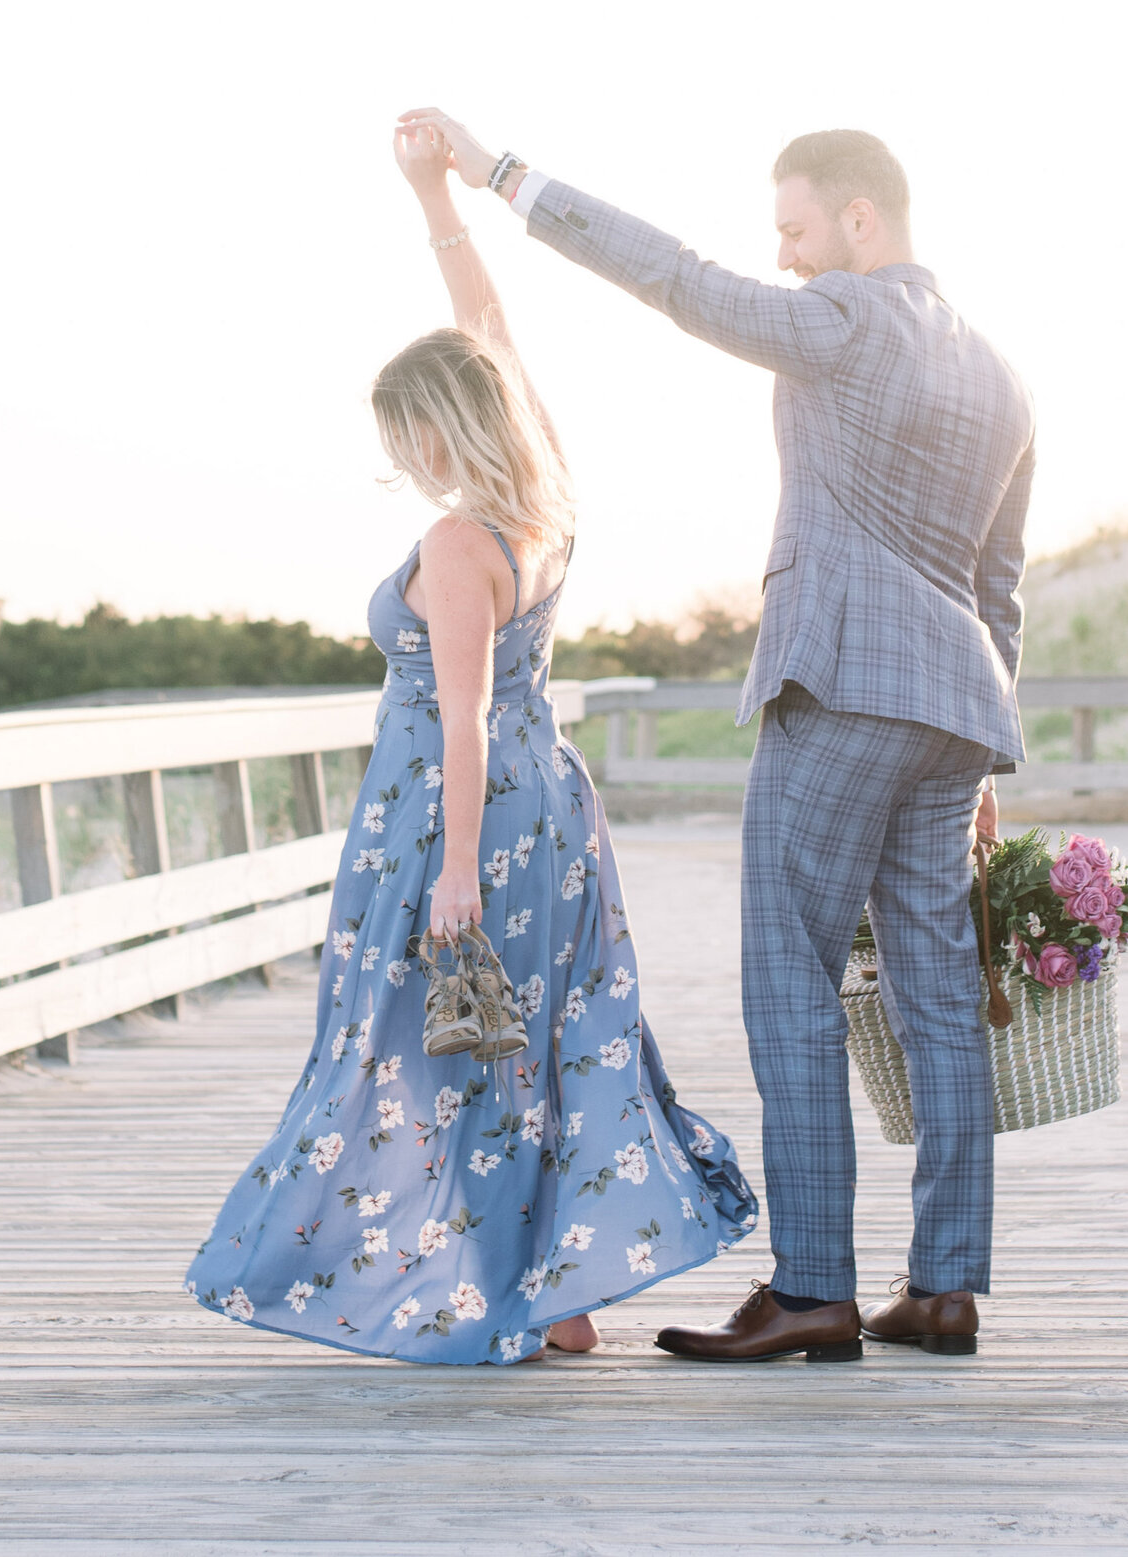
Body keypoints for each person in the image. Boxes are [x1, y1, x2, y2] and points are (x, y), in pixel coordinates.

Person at [397, 111, 1034, 1365]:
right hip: (955, 707)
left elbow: (678, 281)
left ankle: (812, 1287)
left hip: (842, 685)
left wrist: (501, 174)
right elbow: (997, 579)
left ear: (861, 219)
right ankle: (947, 1287)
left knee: (790, 980)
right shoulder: (1001, 375)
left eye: (796, 229)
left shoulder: (847, 322)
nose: (787, 257)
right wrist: (985, 742)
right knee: (936, 998)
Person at [184, 122, 755, 1367]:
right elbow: (490, 328)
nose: (403, 462)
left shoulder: (455, 543)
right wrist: (434, 192)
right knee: (543, 1034)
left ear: (441, 430)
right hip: (551, 810)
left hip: (457, 816)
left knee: (403, 1039)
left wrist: (449, 872)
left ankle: (447, 1279)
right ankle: (562, 1292)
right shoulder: (541, 501)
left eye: (408, 437)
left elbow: (460, 717)